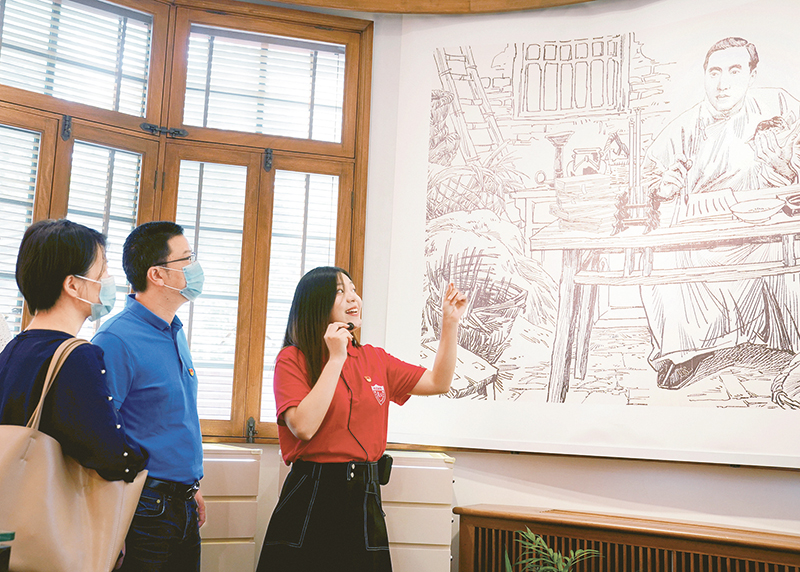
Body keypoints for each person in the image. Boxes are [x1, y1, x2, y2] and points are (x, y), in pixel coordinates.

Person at [257, 266, 466, 572]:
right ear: (316, 304)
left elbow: (438, 382)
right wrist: (336, 358)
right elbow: (303, 426)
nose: (353, 298)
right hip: (312, 491)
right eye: (340, 291)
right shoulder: (293, 358)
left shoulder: (375, 358)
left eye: (353, 290)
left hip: (365, 491)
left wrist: (450, 324)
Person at [642, 37, 800, 389]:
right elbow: (647, 178)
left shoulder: (778, 105)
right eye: (714, 72)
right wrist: (663, 188)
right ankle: (682, 352)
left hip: (765, 233)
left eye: (734, 71)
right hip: (703, 240)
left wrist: (788, 168)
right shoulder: (685, 126)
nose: (722, 83)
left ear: (752, 75)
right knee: (662, 261)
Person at [93, 221, 206, 572]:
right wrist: (113, 523)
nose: (195, 268)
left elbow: (171, 420)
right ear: (157, 274)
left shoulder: (175, 331)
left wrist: (192, 488)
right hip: (144, 506)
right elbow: (101, 437)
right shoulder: (115, 339)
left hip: (183, 501)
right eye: (186, 259)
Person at [0, 219, 147, 482]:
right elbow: (110, 456)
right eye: (102, 271)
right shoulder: (77, 356)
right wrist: (139, 457)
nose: (108, 280)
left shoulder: (12, 349)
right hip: (48, 503)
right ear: (72, 285)